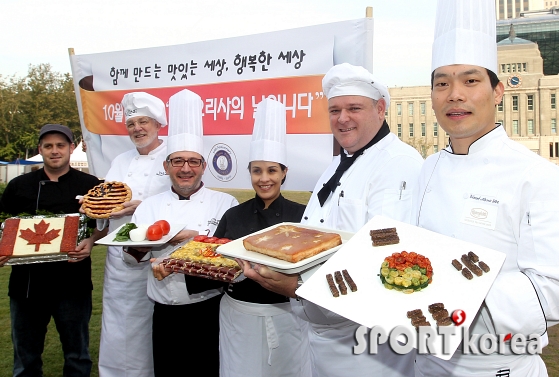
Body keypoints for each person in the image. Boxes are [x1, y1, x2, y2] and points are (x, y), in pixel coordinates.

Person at [243, 63, 424, 376]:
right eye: (334, 110)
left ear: (380, 109)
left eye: (354, 108)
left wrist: (297, 285)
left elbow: (386, 260)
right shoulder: (335, 166)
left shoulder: (398, 165)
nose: (342, 119)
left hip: (368, 347)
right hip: (322, 335)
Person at [413, 1, 559, 376]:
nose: (454, 94)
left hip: (495, 364)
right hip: (424, 359)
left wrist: (448, 288)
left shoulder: (537, 175)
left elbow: (552, 292)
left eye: (470, 80)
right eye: (441, 83)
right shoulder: (427, 168)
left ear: (497, 92)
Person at [130, 89, 238, 376]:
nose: (185, 169)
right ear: (166, 167)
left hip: (210, 309)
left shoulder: (226, 203)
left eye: (193, 162)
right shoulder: (149, 207)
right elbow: (129, 256)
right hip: (164, 312)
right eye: (177, 161)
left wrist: (190, 242)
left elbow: (233, 257)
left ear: (204, 166)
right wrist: (159, 241)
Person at [215, 98, 311, 377]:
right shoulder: (233, 216)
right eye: (257, 171)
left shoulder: (301, 216)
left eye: (272, 170)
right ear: (249, 173)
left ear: (284, 173)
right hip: (238, 316)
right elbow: (214, 261)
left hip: (287, 317)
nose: (264, 178)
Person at [0, 124, 105, 377]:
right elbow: (4, 225)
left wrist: (90, 242)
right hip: (26, 286)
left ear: (71, 148)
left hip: (73, 283)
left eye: (60, 145)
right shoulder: (19, 185)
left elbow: (103, 225)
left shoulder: (90, 184)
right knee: (25, 358)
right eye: (48, 146)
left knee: (77, 355)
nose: (54, 151)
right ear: (41, 150)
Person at [98, 92, 170, 377]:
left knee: (156, 323)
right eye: (131, 124)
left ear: (158, 124)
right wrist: (99, 212)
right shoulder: (119, 161)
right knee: (119, 323)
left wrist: (143, 206)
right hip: (119, 261)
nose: (137, 129)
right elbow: (104, 200)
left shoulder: (175, 158)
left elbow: (184, 204)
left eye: (143, 122)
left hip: (159, 257)